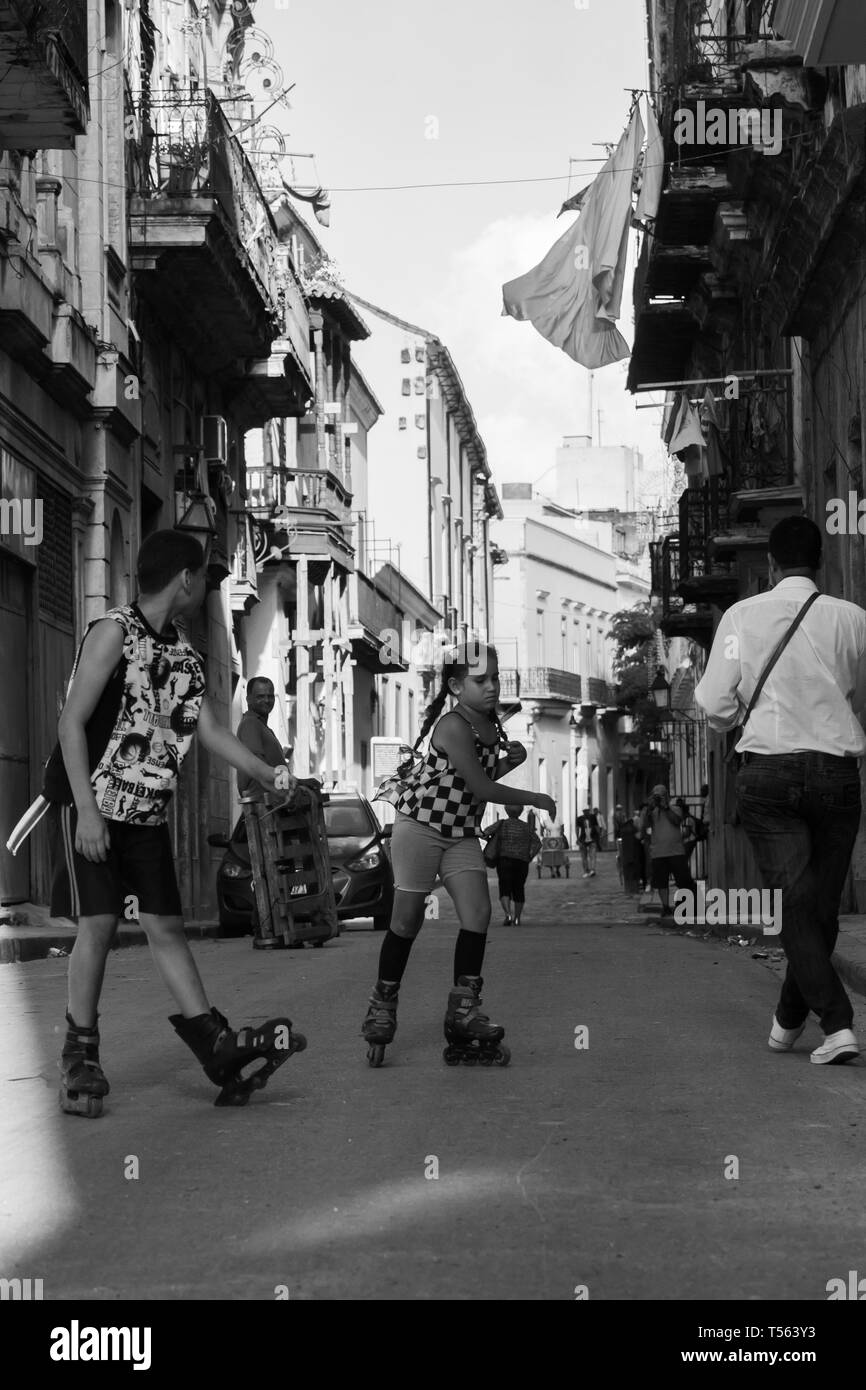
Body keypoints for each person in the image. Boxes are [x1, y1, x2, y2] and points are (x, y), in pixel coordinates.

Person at [44, 530, 304, 1117]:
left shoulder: (183, 654)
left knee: (166, 927)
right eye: (203, 576)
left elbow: (209, 731)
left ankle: (214, 1044)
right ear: (184, 578)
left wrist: (266, 772)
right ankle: (79, 1053)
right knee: (101, 924)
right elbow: (70, 722)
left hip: (146, 813)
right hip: (93, 804)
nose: (204, 586)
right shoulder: (114, 631)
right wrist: (86, 811)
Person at [695, 514, 866, 1066]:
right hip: (838, 771)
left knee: (797, 905)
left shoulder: (743, 616)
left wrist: (735, 718)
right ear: (820, 561)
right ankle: (788, 1021)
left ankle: (834, 1024)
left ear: (769, 564)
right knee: (817, 909)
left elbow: (714, 701)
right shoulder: (853, 619)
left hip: (768, 771)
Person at [362, 642, 556, 1066]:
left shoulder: (489, 725)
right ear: (455, 685)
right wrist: (536, 797)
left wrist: (508, 763)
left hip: (461, 833)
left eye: (495, 678)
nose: (491, 687)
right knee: (406, 920)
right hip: (420, 829)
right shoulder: (452, 725)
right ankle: (382, 1006)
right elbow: (483, 789)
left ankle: (463, 1011)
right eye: (480, 680)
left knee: (478, 914)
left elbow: (473, 780)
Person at [638, 785, 695, 919]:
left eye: (661, 795)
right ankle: (665, 907)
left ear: (667, 796)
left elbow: (676, 821)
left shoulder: (675, 809)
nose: (659, 798)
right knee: (661, 882)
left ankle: (686, 906)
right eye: (656, 795)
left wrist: (665, 807)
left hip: (676, 851)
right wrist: (650, 808)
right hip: (659, 852)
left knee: (683, 880)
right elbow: (644, 827)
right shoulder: (651, 812)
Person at [485, 807, 542, 924]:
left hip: (504, 860)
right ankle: (517, 918)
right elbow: (537, 843)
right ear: (520, 812)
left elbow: (485, 832)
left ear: (506, 811)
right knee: (519, 888)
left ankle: (508, 915)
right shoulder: (526, 827)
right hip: (521, 861)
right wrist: (530, 856)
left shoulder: (502, 824)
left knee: (504, 887)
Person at [236, 677, 291, 797]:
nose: (266, 700)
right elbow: (258, 767)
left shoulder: (263, 727)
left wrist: (293, 783)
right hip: (264, 804)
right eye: (260, 696)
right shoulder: (250, 724)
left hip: (276, 803)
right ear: (248, 699)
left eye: (270, 696)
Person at [576, 806, 599, 877]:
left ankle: (592, 870)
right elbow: (577, 829)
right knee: (584, 856)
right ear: (583, 811)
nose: (586, 812)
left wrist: (598, 836)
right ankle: (586, 871)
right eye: (584, 811)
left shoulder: (593, 817)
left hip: (592, 839)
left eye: (587, 811)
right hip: (583, 839)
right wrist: (577, 839)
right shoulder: (579, 818)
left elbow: (596, 826)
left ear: (589, 811)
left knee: (593, 855)